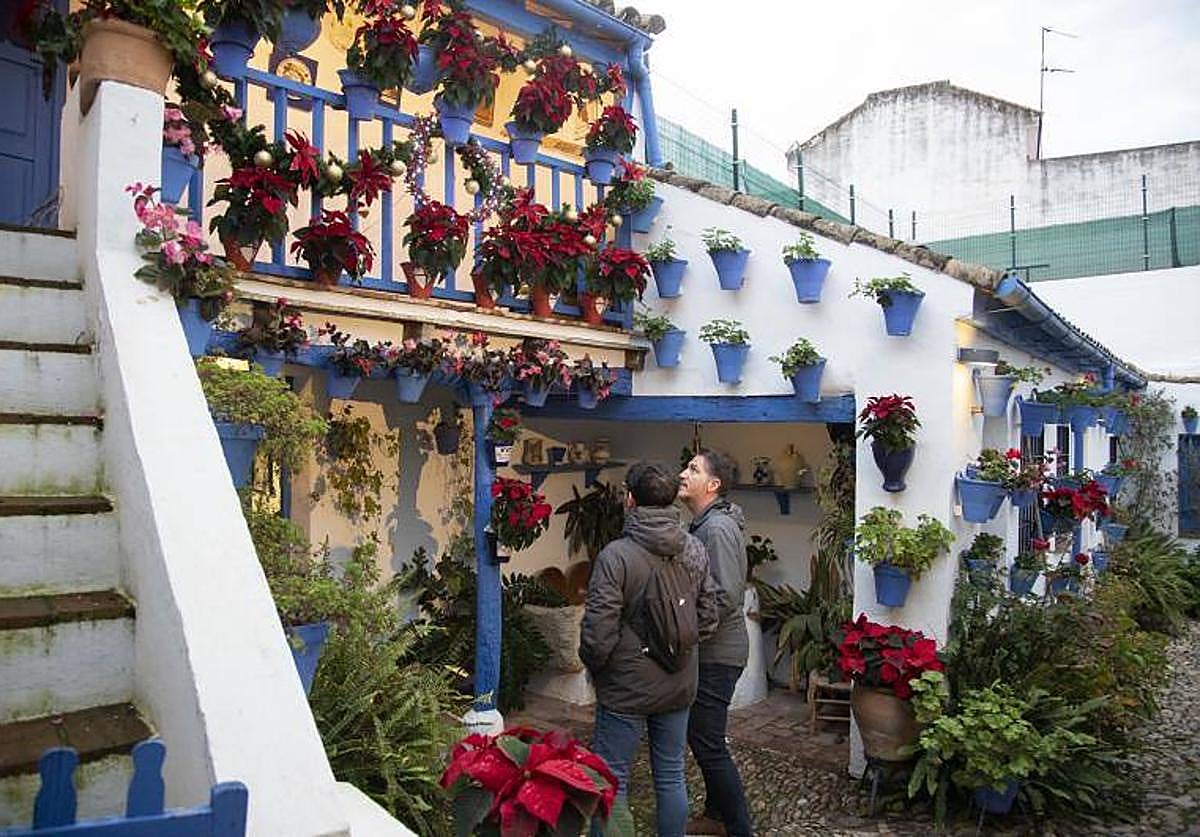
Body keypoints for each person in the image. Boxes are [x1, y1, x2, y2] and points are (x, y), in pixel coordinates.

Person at [580, 461, 719, 837]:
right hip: (679, 678)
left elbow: (598, 633)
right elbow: (708, 615)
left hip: (626, 686)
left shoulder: (616, 556)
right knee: (671, 775)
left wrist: (599, 668)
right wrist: (678, 649)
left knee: (612, 780)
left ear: (629, 500)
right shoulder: (693, 548)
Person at [678, 449, 753, 837]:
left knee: (707, 741)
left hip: (719, 652)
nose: (682, 474)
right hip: (713, 649)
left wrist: (687, 633)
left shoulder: (717, 529)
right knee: (703, 735)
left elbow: (724, 595)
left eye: (692, 469)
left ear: (714, 484)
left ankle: (739, 827)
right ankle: (716, 816)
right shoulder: (706, 524)